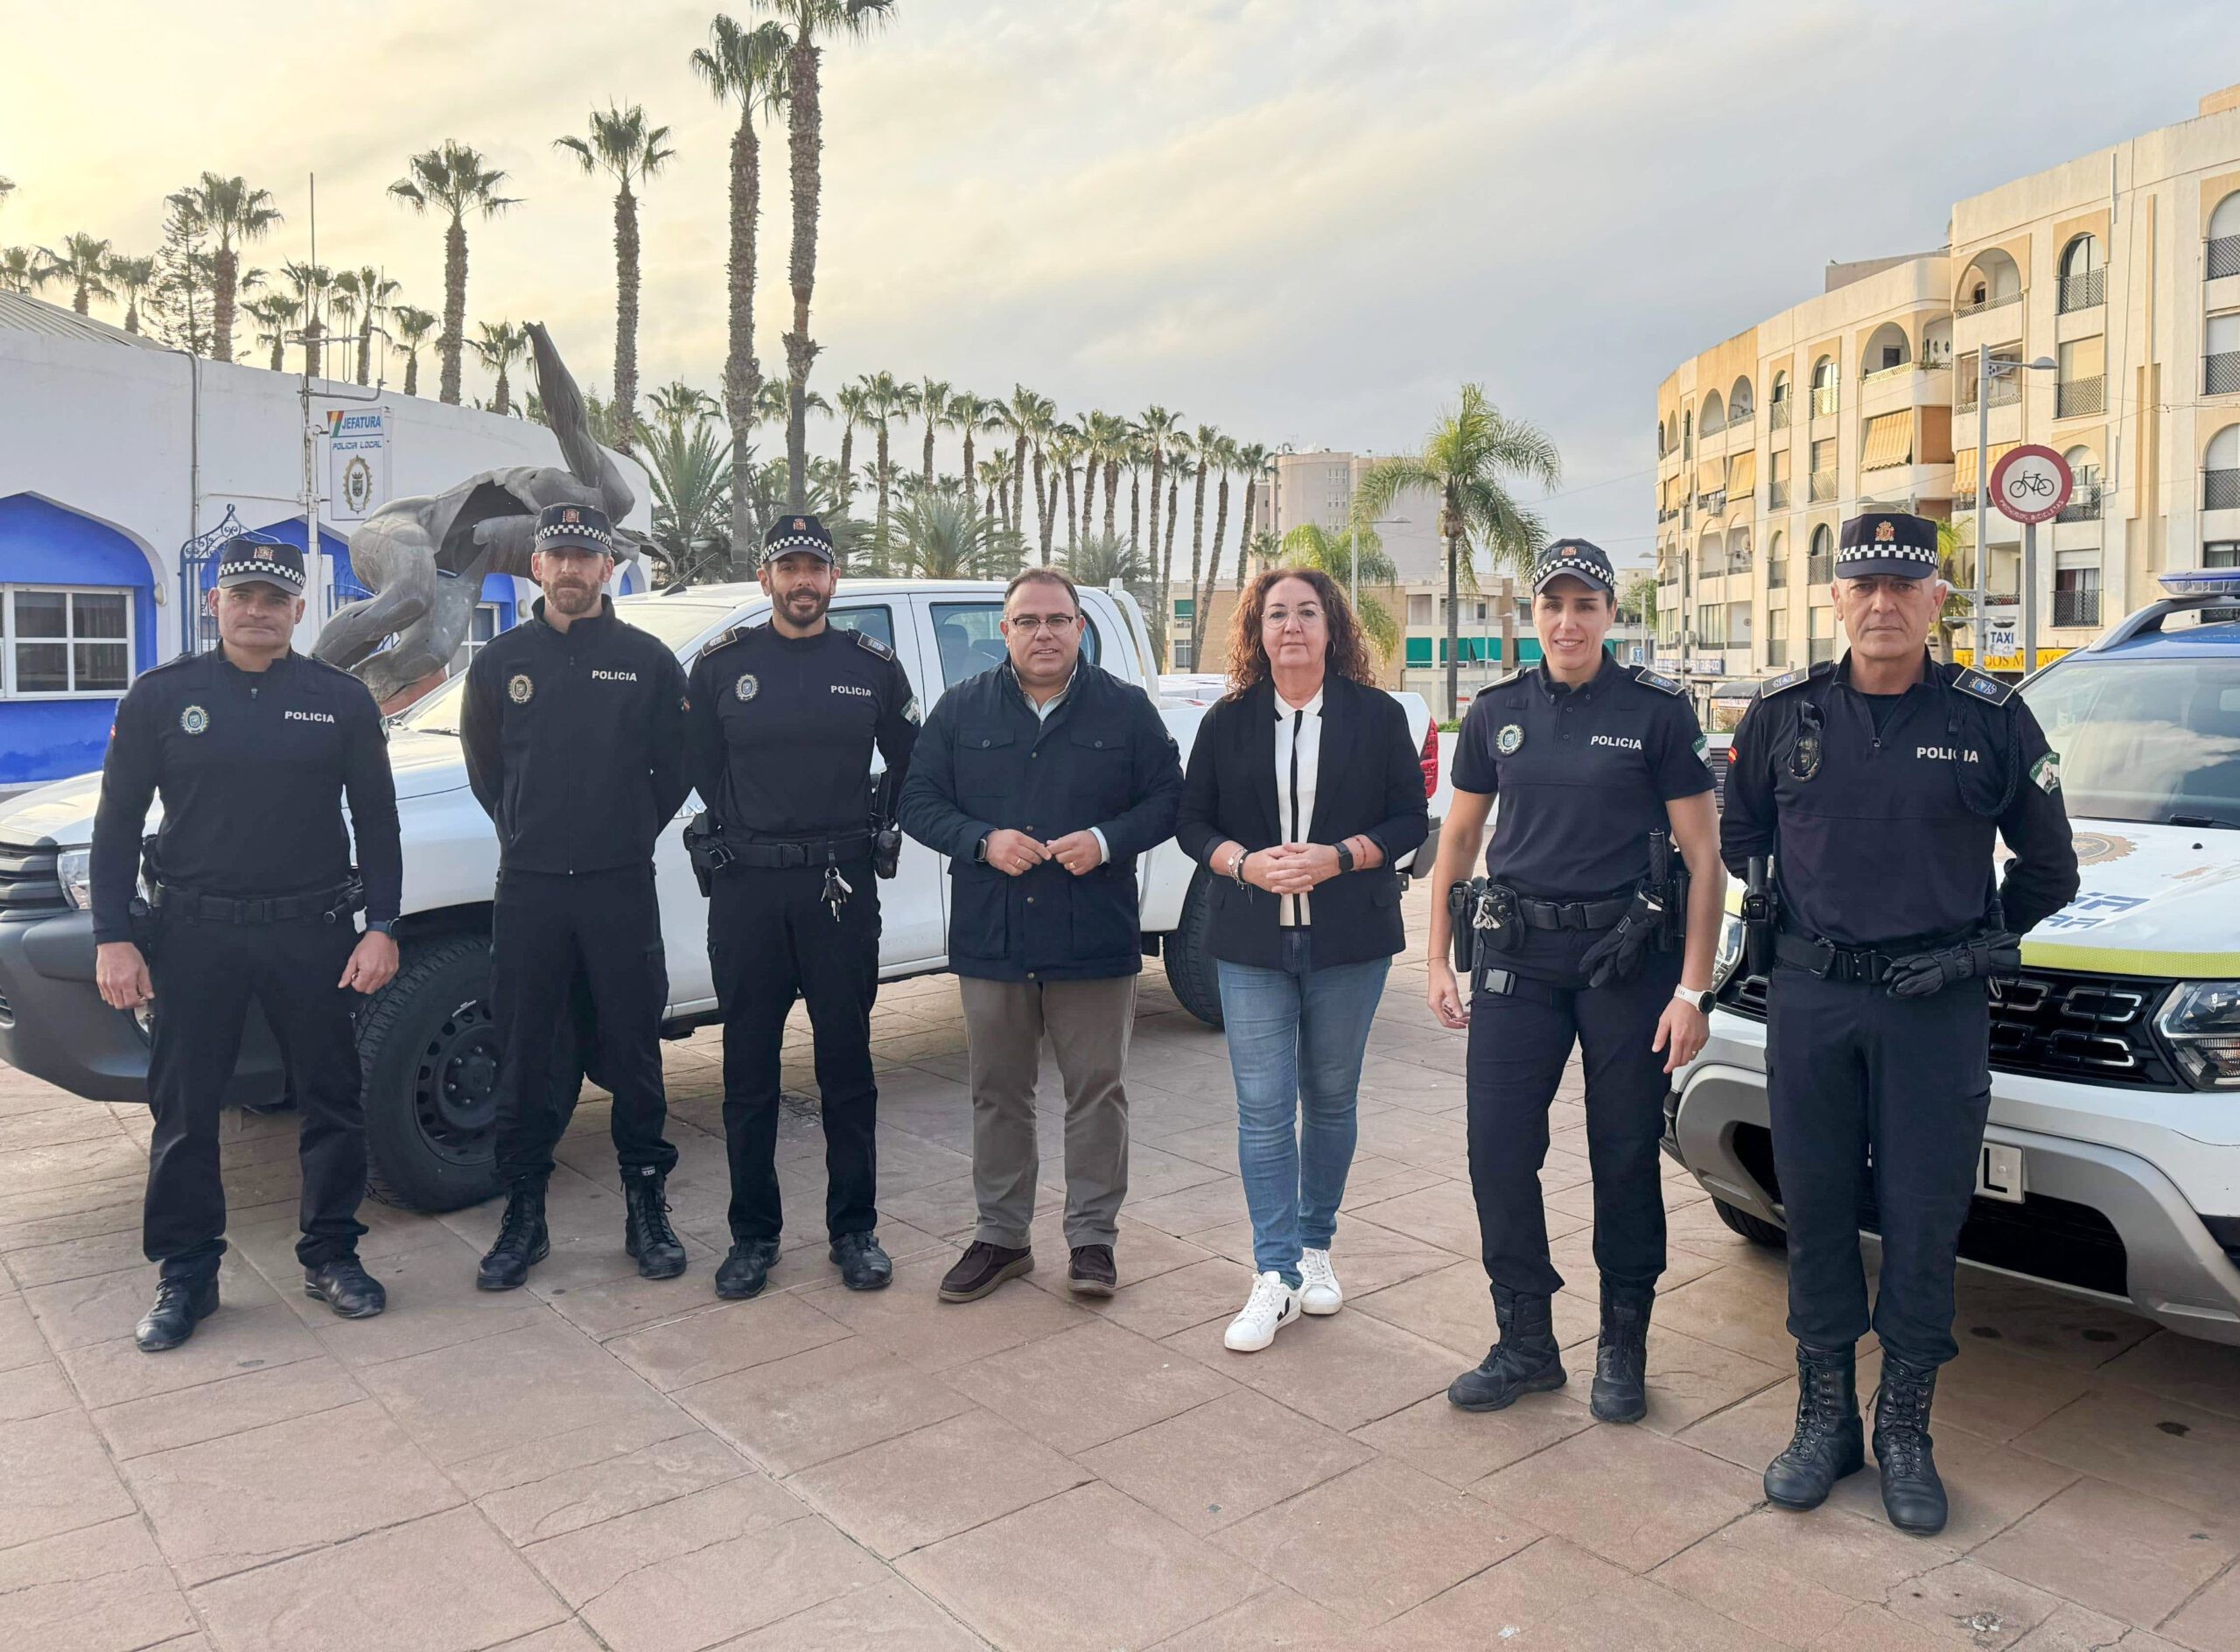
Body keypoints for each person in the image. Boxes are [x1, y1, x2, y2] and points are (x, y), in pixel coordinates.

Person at [1722, 511, 2078, 1536]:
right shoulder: (1783, 713)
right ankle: (1825, 1419)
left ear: (1935, 600)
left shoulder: (1990, 717)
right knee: (1813, 1207)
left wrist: (1972, 947)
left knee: (1924, 1217)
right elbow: (1741, 834)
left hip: (1936, 1006)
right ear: (1837, 597)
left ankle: (1906, 1429)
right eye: (1864, 585)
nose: (1882, 603)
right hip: (1812, 1001)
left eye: (1903, 586)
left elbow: (2050, 868)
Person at [1424, 539, 1726, 1424]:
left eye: (1584, 604)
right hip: (1517, 956)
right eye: (1552, 604)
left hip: (1626, 962)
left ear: (1609, 614)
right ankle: (1524, 1342)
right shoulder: (1496, 711)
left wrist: (1692, 990)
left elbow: (1705, 858)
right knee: (1497, 1150)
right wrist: (1437, 957)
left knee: (1623, 1153)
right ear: (1534, 614)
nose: (1567, 621)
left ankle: (1622, 1346)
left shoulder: (1656, 712)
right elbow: (1459, 840)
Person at [90, 531, 402, 1352]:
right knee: (185, 1110)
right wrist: (113, 936)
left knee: (332, 1098)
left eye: (275, 599)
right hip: (194, 934)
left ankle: (331, 1254)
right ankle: (187, 1274)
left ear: (299, 610)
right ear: (214, 602)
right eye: (243, 596)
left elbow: (378, 821)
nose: (258, 611)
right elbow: (116, 824)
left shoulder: (340, 699)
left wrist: (383, 926)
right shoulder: (161, 697)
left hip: (312, 931)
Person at [899, 568, 1184, 1301]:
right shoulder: (961, 709)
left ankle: (1092, 1241)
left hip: (1093, 934)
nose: (1043, 633)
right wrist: (981, 840)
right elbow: (917, 800)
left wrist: (1106, 840)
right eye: (1027, 621)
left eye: (1057, 619)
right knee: (998, 1091)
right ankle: (1001, 1237)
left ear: (1079, 628)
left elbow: (1169, 800)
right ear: (1005, 631)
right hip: (994, 936)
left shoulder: (1124, 710)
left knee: (1097, 1092)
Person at [1173, 568, 1428, 1351]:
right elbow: (1192, 824)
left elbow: (1409, 818)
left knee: (1331, 1097)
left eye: (1307, 612)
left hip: (1350, 941)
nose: (1291, 625)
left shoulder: (1377, 717)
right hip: (1251, 941)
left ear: (1331, 628)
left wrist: (1340, 857)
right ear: (1257, 630)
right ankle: (1275, 1272)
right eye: (1277, 613)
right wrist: (1244, 864)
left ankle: (1316, 1247)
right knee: (1261, 1107)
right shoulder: (1227, 722)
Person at [684, 514, 920, 1300]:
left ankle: (855, 1231)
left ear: (833, 579)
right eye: (788, 569)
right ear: (766, 579)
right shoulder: (723, 667)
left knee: (847, 1067)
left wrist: (878, 824)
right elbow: (699, 763)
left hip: (839, 889)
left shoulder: (870, 667)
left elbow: (912, 762)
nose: (802, 582)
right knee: (747, 1070)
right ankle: (753, 1236)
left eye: (815, 569)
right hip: (747, 891)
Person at [461, 502, 693, 1292]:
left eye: (584, 556)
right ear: (537, 566)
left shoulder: (647, 661)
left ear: (607, 568)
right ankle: (524, 1215)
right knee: (525, 1054)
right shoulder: (500, 662)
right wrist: (527, 831)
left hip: (618, 888)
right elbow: (487, 771)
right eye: (556, 554)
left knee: (634, 1052)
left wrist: (624, 832)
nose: (569, 568)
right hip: (529, 892)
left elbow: (676, 767)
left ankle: (646, 1208)